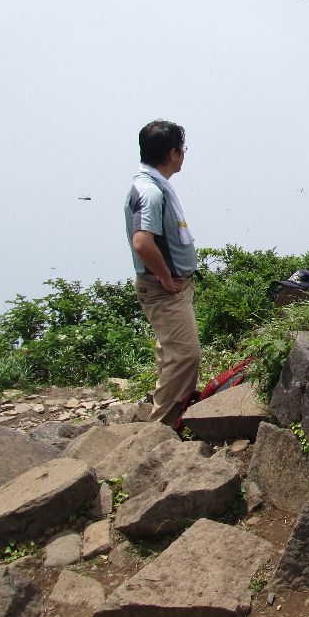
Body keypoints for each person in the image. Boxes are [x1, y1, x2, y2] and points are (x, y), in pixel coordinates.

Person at [124, 120, 201, 427]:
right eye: (183, 149)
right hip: (163, 289)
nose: (184, 154)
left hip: (167, 288)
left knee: (172, 354)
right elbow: (142, 242)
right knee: (185, 358)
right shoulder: (152, 192)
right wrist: (167, 278)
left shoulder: (152, 185)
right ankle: (160, 435)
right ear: (172, 153)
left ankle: (167, 419)